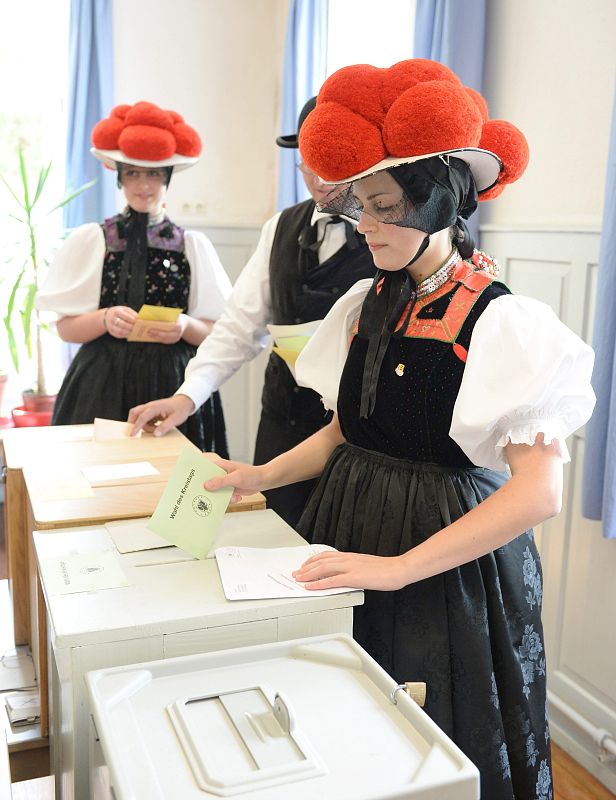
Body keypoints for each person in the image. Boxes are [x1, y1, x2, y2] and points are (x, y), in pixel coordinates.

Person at [200, 60, 596, 798]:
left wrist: (398, 567)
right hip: (350, 519)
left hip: (440, 562)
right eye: (361, 207)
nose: (367, 225)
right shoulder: (366, 303)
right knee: (345, 729)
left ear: (438, 205)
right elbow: (347, 432)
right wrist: (257, 476)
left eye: (384, 208)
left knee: (430, 741)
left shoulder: (505, 321)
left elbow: (538, 494)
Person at [129, 98, 375, 526]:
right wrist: (187, 396)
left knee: (345, 547)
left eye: (329, 162)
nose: (317, 177)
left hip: (360, 432)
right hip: (285, 417)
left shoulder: (390, 232)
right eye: (307, 162)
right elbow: (238, 326)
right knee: (276, 537)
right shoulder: (279, 227)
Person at [36, 102, 231, 455]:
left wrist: (185, 325)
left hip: (173, 385)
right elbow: (65, 329)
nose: (143, 185)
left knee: (174, 485)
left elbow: (219, 331)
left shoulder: (191, 245)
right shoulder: (94, 238)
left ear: (167, 177)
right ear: (120, 177)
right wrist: (105, 319)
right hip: (100, 382)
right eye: (133, 174)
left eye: (154, 174)